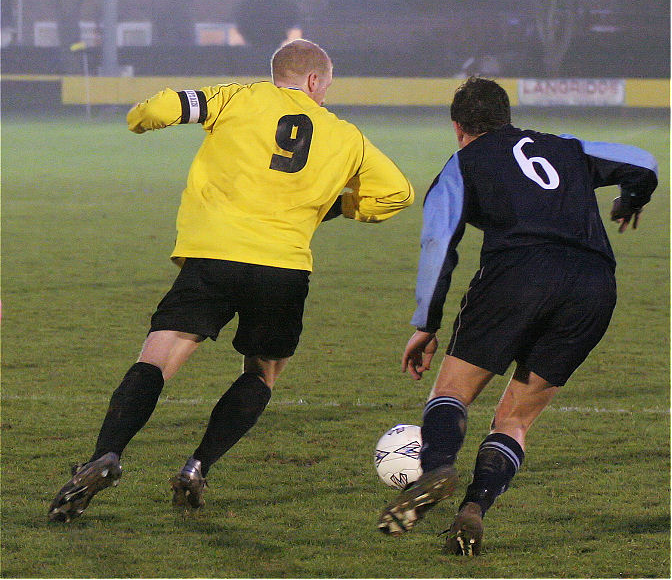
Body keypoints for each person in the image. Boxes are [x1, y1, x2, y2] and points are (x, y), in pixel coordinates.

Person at [49, 39, 414, 523]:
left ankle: (106, 455)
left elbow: (161, 107)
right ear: (312, 80)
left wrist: (138, 119)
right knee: (262, 373)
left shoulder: (237, 97)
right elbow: (398, 194)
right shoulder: (348, 136)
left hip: (213, 257)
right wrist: (340, 207)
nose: (326, 94)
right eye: (326, 85)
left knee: (157, 359)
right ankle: (198, 466)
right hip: (283, 268)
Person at [377, 77, 657, 555]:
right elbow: (645, 163)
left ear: (458, 126)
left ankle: (440, 464)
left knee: (451, 393)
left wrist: (427, 322)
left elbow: (438, 244)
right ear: (505, 116)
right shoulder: (565, 148)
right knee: (514, 420)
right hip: (593, 286)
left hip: (518, 276)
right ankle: (474, 509)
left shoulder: (463, 162)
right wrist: (631, 200)